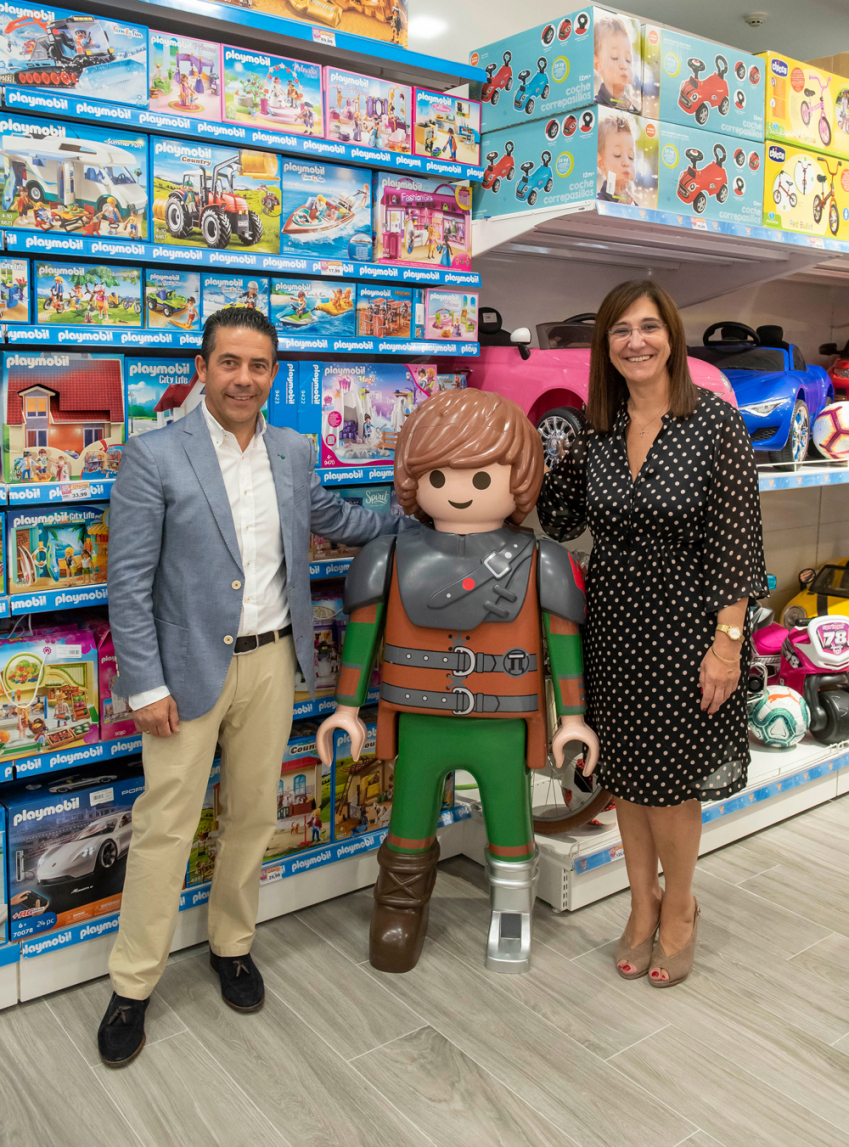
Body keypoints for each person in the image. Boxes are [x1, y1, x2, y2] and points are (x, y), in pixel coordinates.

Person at [99, 307, 408, 1068]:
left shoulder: (294, 450)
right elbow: (127, 583)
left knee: (253, 815)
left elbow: (332, 517)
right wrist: (145, 685)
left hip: (271, 662)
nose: (244, 378)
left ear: (274, 373)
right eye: (230, 363)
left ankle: (232, 946)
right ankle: (133, 984)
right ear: (202, 368)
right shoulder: (153, 454)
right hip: (183, 673)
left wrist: (420, 520)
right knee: (167, 827)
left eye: (258, 365)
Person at [537, 280, 767, 988]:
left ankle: (681, 910)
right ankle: (642, 909)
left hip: (687, 628)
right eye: (620, 331)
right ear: (604, 346)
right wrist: (521, 452)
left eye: (647, 327)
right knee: (627, 779)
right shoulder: (597, 430)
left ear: (670, 336)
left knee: (669, 785)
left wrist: (726, 644)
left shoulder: (715, 424)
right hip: (612, 627)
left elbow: (737, 544)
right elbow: (558, 516)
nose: (634, 342)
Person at [594, 14, 638, 111]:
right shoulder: (596, 105)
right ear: (597, 64)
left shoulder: (634, 108)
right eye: (615, 57)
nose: (624, 66)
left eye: (628, 59)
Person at [596, 113, 637, 204]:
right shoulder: (599, 203)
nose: (626, 163)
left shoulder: (635, 206)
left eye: (631, 157)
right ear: (601, 162)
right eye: (617, 155)